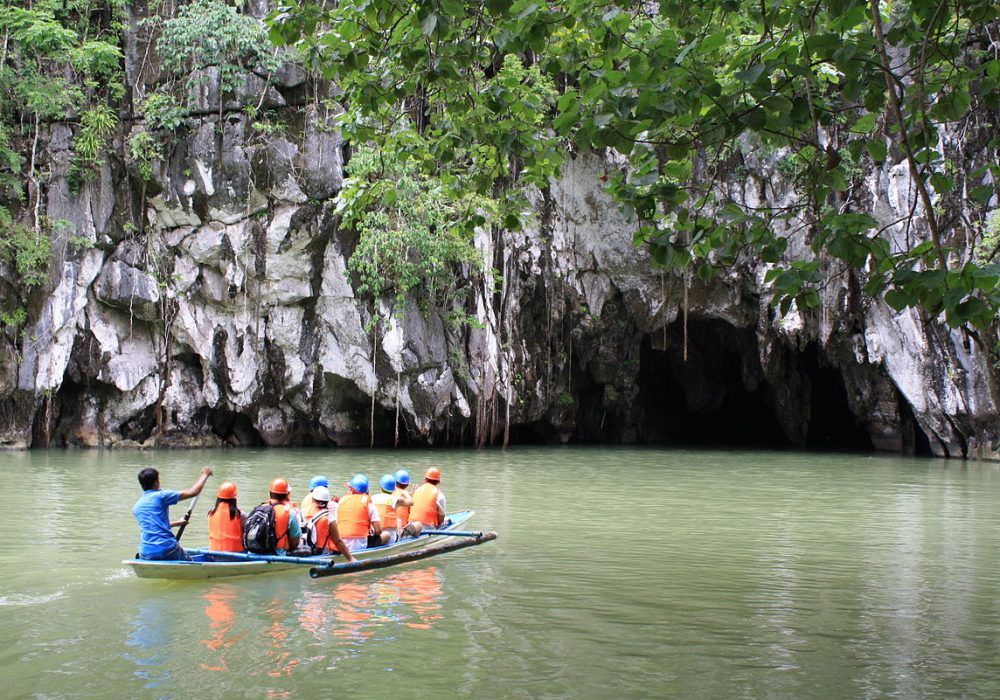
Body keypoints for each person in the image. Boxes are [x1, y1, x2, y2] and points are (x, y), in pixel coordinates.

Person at [133, 466, 213, 561]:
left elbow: (154, 526)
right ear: (156, 482)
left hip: (145, 553)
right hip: (166, 549)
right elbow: (193, 492)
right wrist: (205, 474)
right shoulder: (161, 496)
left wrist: (178, 523)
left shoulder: (137, 506)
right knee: (190, 561)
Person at [301, 486, 354, 560]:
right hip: (322, 552)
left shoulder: (302, 512)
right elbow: (338, 541)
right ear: (327, 501)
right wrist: (350, 558)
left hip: (305, 550)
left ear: (312, 499)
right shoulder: (329, 518)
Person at [336, 473, 383, 551]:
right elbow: (378, 531)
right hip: (360, 546)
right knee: (386, 535)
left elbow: (336, 522)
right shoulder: (369, 505)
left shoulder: (342, 501)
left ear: (351, 489)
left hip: (341, 544)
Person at [371, 474, 413, 544]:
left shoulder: (372, 498)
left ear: (381, 487)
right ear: (394, 489)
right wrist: (405, 493)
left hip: (377, 536)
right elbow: (411, 502)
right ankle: (400, 541)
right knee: (401, 521)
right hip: (391, 538)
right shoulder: (395, 499)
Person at [265, 477, 302, 556]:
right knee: (307, 549)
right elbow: (296, 541)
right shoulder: (290, 513)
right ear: (286, 495)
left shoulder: (260, 508)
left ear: (270, 493)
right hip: (279, 553)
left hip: (258, 551)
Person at [207, 481, 244, 552]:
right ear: (234, 497)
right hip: (236, 554)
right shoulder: (239, 514)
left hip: (214, 554)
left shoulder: (211, 513)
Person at [393, 469, 422, 537]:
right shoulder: (407, 498)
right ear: (407, 484)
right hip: (401, 528)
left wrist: (410, 495)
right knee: (418, 524)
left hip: (391, 527)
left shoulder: (390, 493)